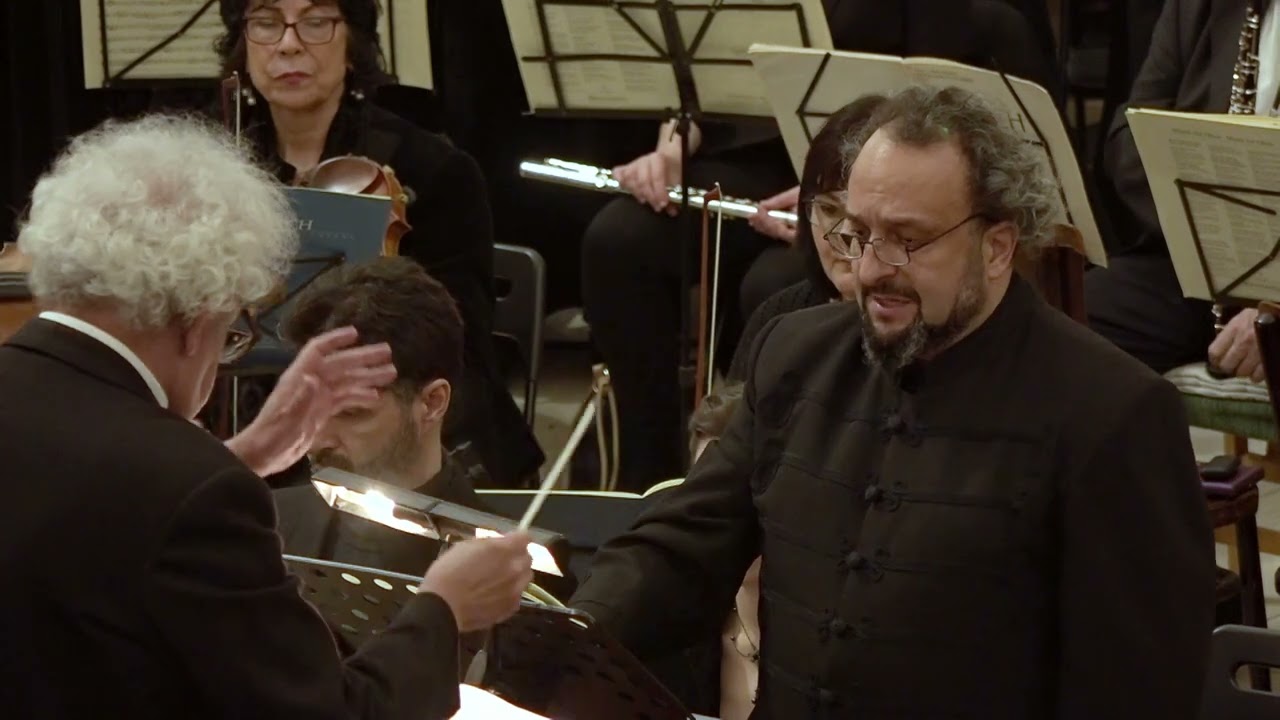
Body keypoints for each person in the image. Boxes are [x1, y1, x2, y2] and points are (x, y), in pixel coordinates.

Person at [569, 85, 1215, 718]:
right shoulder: (793, 354)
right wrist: (567, 629)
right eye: (857, 233)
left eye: (908, 239)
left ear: (996, 247)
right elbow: (685, 547)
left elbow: (1135, 693)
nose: (872, 268)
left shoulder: (1113, 413)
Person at [0, 113, 534, 718]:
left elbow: (80, 521)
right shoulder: (192, 490)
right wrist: (444, 609)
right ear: (195, 321)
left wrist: (240, 456)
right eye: (231, 334)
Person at [580, 0, 1065, 491]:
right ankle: (649, 475)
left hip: (872, 174)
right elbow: (703, 76)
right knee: (617, 241)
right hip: (757, 155)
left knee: (773, 283)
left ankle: (801, 464)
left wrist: (836, 195)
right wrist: (673, 144)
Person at [215, 0, 544, 486]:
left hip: (386, 421)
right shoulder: (214, 163)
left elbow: (459, 348)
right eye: (266, 23)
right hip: (247, 421)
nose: (288, 44)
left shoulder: (433, 170)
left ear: (354, 44)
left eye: (315, 22)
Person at [272, 257, 499, 575]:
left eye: (351, 413)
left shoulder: (507, 569)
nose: (314, 442)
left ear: (432, 403)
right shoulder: (263, 526)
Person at [1089, 0, 1267, 381]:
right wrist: (1208, 222)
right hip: (1196, 265)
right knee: (1061, 319)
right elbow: (1128, 138)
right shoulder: (1198, 8)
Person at [724, 94, 888, 381]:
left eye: (860, 217)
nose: (842, 235)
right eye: (829, 209)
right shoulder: (779, 315)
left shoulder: (915, 329)